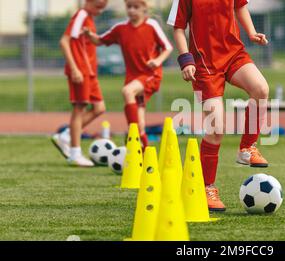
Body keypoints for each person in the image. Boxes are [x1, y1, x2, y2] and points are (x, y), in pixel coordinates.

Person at [168, 0, 270, 211]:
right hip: (204, 64)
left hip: (234, 54)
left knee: (261, 89)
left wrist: (251, 33)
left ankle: (247, 148)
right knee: (217, 128)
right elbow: (178, 28)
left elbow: (240, 6)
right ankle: (206, 188)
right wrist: (186, 60)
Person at [84, 0, 173, 150]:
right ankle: (145, 150)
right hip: (133, 78)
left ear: (144, 8)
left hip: (150, 75)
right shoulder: (120, 29)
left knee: (127, 91)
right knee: (140, 120)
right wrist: (88, 34)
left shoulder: (151, 25)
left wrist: (157, 61)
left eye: (136, 7)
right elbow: (99, 41)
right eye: (129, 7)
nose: (132, 10)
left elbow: (168, 47)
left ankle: (134, 135)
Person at [52, 0, 108, 167]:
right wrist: (74, 68)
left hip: (90, 72)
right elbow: (64, 41)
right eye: (98, 6)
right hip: (81, 71)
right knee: (80, 109)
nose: (100, 11)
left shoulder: (89, 17)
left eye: (103, 8)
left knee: (99, 108)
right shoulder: (82, 15)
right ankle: (75, 154)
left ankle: (66, 135)